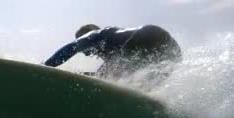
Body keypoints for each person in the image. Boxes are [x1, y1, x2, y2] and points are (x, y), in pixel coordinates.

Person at [43, 24, 182, 81]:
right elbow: (101, 77)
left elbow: (71, 47)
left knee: (116, 72)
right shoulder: (113, 47)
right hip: (172, 51)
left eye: (85, 50)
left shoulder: (97, 33)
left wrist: (45, 67)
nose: (86, 54)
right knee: (138, 80)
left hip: (148, 34)